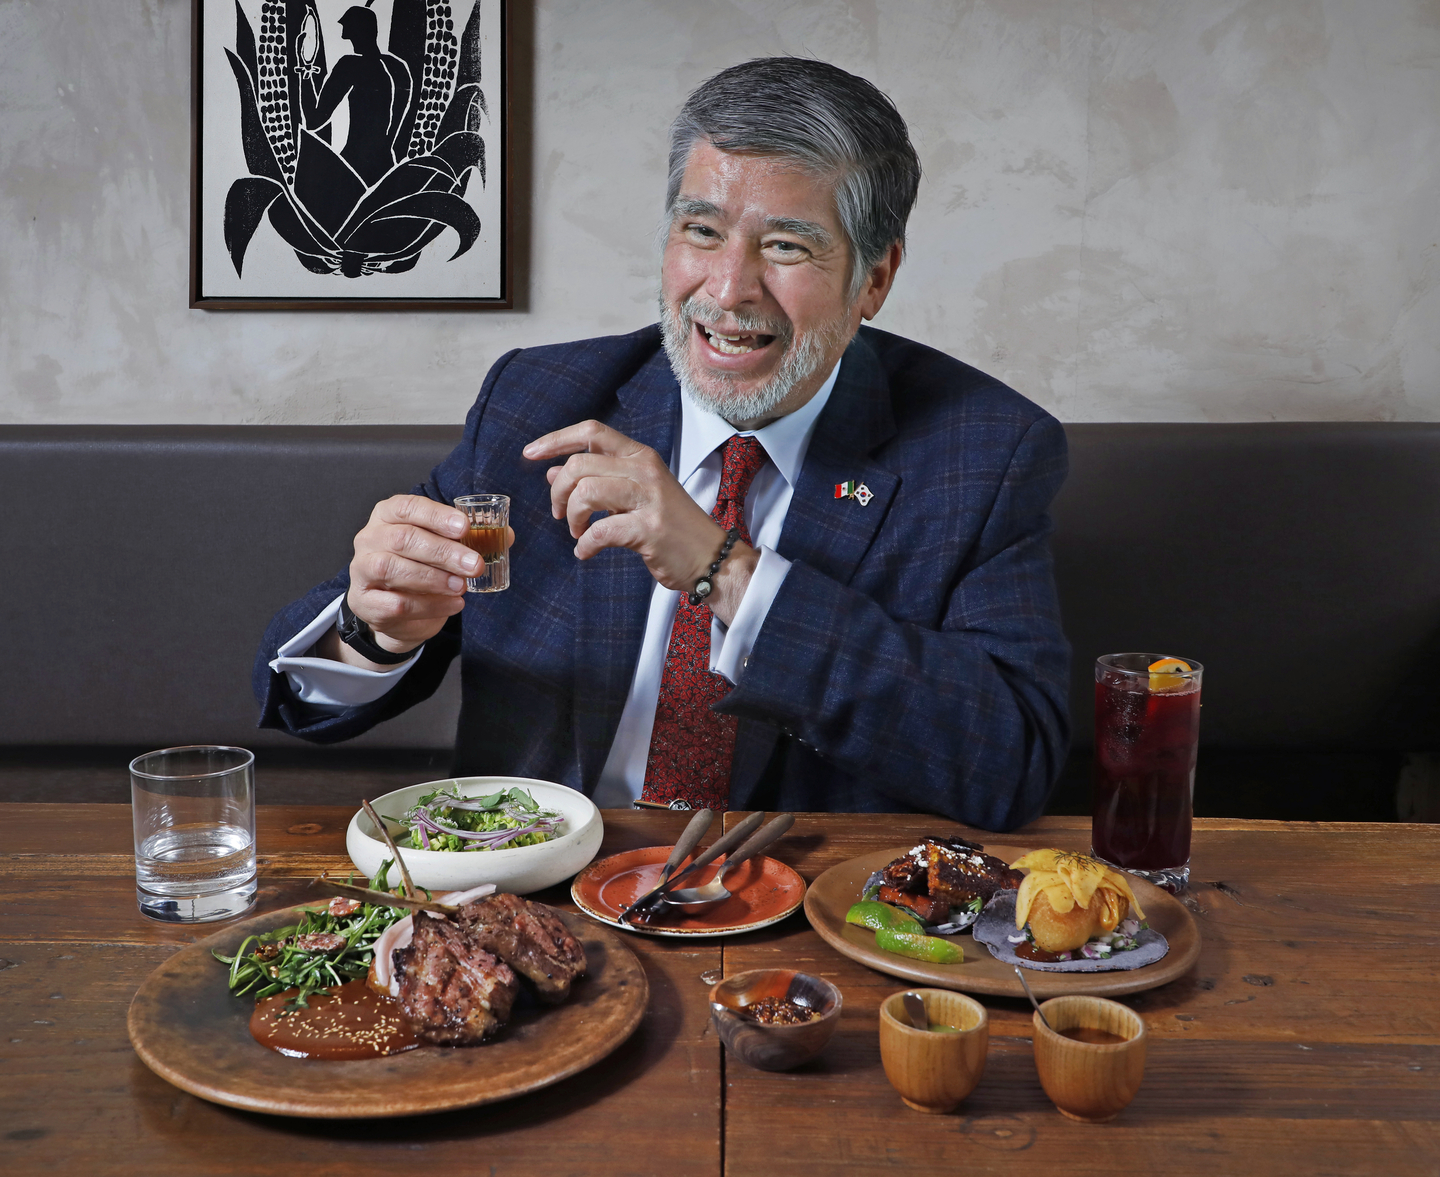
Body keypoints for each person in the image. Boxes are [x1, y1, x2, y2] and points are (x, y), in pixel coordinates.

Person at [255, 57, 1071, 830]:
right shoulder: (538, 401)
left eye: (785, 246)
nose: (727, 289)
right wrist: (376, 629)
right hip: (543, 898)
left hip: (798, 923)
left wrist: (729, 572)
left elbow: (1011, 765)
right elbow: (304, 693)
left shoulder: (983, 451)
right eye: (702, 230)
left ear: (875, 279)